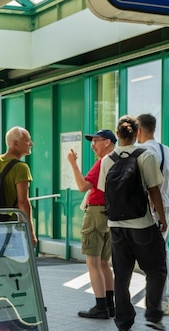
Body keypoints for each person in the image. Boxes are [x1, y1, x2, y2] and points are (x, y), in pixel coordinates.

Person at [97, 115, 168, 331]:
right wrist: (161, 217)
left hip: (116, 224)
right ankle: (154, 315)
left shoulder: (107, 160)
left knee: (122, 273)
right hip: (142, 224)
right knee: (156, 269)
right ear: (137, 133)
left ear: (117, 134)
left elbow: (103, 191)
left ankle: (123, 323)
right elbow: (154, 190)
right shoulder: (145, 156)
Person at [66, 129, 116, 319]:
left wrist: (73, 163)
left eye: (96, 141)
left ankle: (100, 307)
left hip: (96, 212)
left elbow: (82, 186)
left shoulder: (103, 162)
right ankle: (110, 306)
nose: (93, 146)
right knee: (104, 263)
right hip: (111, 214)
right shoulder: (118, 160)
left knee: (93, 262)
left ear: (108, 142)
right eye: (91, 142)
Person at [136, 113, 169, 315]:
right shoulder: (166, 149)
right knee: (163, 252)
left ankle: (163, 299)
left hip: (154, 208)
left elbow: (148, 185)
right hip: (167, 204)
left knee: (156, 257)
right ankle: (167, 296)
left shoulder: (144, 150)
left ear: (140, 130)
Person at [0, 126, 37, 246]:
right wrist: (30, 231)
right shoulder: (21, 168)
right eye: (27, 140)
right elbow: (23, 201)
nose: (31, 144)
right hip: (12, 225)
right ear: (16, 143)